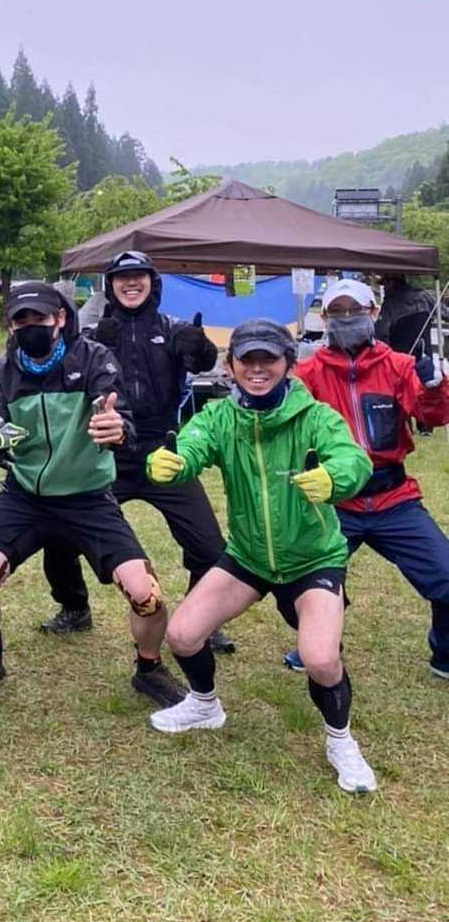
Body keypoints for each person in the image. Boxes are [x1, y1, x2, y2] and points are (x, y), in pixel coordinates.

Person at [145, 318, 378, 793]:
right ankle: (204, 704)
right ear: (230, 365)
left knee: (320, 659)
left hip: (312, 559)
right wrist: (170, 462)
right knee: (183, 634)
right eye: (246, 359)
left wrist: (334, 477)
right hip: (249, 557)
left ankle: (341, 741)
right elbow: (191, 446)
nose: (256, 369)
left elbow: (354, 460)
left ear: (288, 364)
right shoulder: (220, 417)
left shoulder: (315, 416)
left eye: (267, 359)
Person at [0, 281, 185, 705]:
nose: (31, 326)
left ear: (60, 319)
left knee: (146, 595)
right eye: (21, 320)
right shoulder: (1, 372)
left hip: (89, 497)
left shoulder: (94, 358)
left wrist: (117, 429)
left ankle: (150, 668)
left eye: (40, 317)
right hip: (24, 497)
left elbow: (120, 418)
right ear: (12, 326)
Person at [42, 251, 232, 651]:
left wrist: (199, 348)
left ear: (153, 283)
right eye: (122, 277)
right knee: (59, 533)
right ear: (110, 285)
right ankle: (74, 607)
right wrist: (91, 343)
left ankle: (203, 617)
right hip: (108, 451)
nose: (131, 283)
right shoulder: (94, 333)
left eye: (139, 276)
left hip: (163, 451)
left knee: (209, 544)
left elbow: (203, 363)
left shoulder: (173, 328)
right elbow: (62, 372)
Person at [280, 279, 449, 679]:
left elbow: (433, 416)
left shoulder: (400, 365)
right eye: (337, 311)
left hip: (394, 498)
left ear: (373, 312)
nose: (347, 318)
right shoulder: (308, 373)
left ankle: (445, 654)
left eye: (355, 310)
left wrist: (434, 386)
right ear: (324, 318)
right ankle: (319, 644)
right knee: (299, 580)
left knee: (445, 575)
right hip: (335, 502)